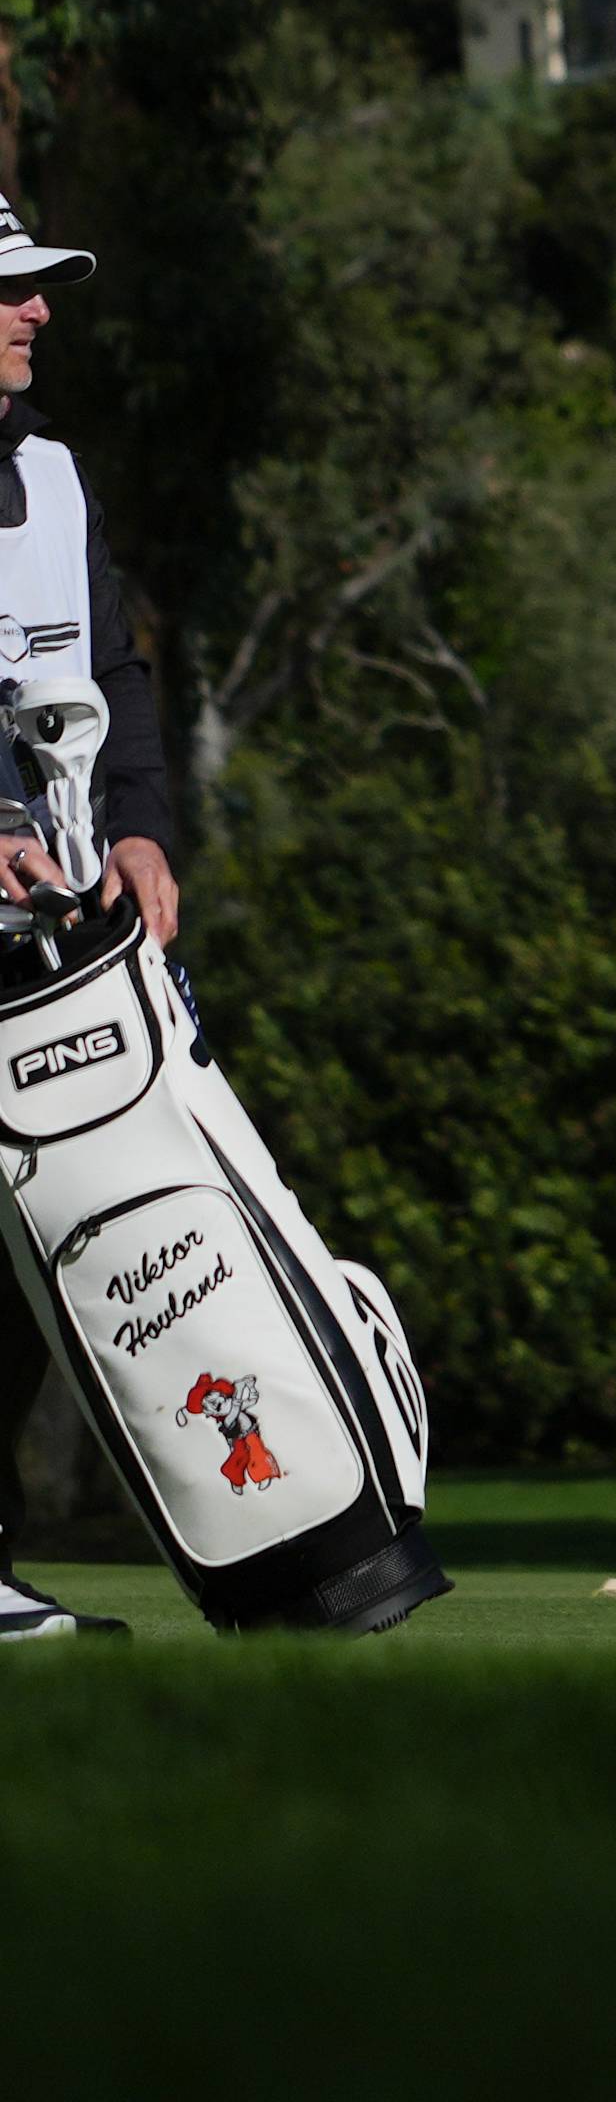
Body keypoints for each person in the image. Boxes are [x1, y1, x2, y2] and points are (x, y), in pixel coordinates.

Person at [0, 192, 186, 1645]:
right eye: (10, 290)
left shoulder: (55, 480)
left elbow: (118, 682)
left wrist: (138, 827)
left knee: (34, 1278)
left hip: (64, 946)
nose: (38, 311)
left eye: (40, 286)